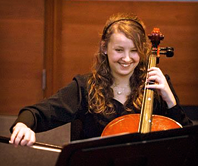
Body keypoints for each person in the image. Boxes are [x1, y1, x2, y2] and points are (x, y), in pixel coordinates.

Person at [9, 13, 192, 147]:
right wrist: (23, 125)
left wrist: (170, 100)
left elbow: (189, 142)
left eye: (134, 50)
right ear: (104, 48)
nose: (127, 58)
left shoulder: (157, 85)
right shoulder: (85, 87)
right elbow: (38, 113)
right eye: (119, 50)